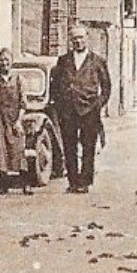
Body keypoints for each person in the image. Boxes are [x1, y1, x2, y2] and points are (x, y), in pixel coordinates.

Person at [50, 25, 111, 194]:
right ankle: (73, 181)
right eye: (75, 39)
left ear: (87, 39)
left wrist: (98, 105)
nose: (78, 41)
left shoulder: (97, 61)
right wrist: (60, 105)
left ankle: (85, 181)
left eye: (81, 38)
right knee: (69, 147)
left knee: (88, 147)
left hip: (89, 111)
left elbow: (106, 87)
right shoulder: (63, 61)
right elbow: (54, 85)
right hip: (68, 112)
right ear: (71, 41)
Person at [0, 48, 30, 195]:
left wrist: (18, 121)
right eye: (1, 60)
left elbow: (23, 103)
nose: (4, 63)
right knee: (0, 151)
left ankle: (25, 184)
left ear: (11, 62)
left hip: (14, 119)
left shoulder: (19, 79)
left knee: (18, 151)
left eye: (7, 60)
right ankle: (3, 185)